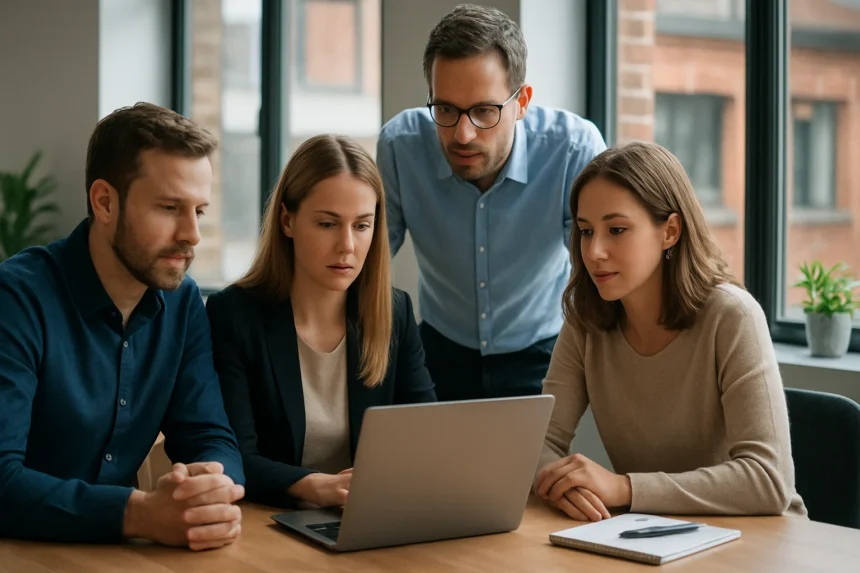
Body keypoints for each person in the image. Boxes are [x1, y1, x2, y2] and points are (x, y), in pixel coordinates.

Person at [0, 103, 246, 549]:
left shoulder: (183, 301)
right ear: (105, 202)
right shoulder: (17, 298)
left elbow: (209, 435)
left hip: (118, 556)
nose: (192, 234)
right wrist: (139, 513)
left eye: (200, 211)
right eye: (170, 207)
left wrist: (211, 486)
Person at [533, 141, 808, 522]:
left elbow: (768, 480)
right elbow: (538, 443)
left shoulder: (732, 315)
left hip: (763, 542)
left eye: (616, 229)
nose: (594, 251)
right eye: (585, 231)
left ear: (670, 231)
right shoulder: (586, 320)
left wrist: (624, 488)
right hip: (651, 535)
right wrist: (566, 486)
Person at [377, 4, 607, 401]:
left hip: (543, 349)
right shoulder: (401, 146)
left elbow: (601, 267)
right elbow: (369, 259)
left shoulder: (573, 149)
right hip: (438, 347)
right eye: (445, 109)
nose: (463, 134)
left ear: (522, 102)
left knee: (535, 465)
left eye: (484, 111)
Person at [206, 134, 436, 510]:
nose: (347, 245)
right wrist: (309, 486)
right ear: (287, 220)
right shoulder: (234, 316)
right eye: (328, 224)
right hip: (267, 523)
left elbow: (427, 436)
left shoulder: (394, 313)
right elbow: (234, 456)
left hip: (369, 515)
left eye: (362, 226)